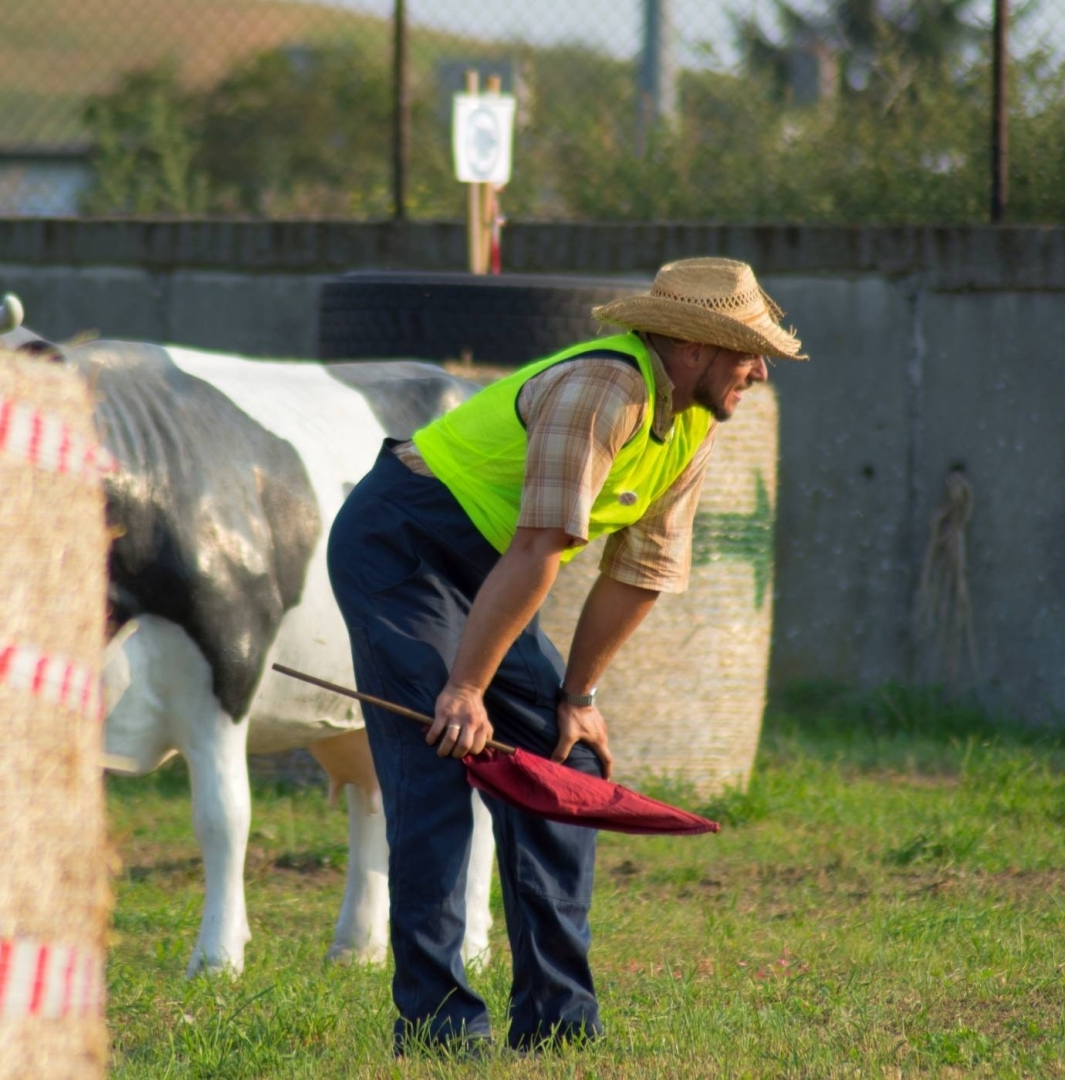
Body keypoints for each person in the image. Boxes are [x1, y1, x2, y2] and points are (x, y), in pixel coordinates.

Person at [325, 257, 806, 1055]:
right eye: (748, 352)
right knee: (443, 758)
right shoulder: (602, 392)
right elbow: (543, 545)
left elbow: (640, 575)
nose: (759, 370)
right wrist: (466, 689)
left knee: (564, 769)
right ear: (691, 346)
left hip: (494, 569)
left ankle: (556, 1025)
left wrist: (577, 698)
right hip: (402, 547)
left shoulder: (689, 423)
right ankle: (441, 1031)